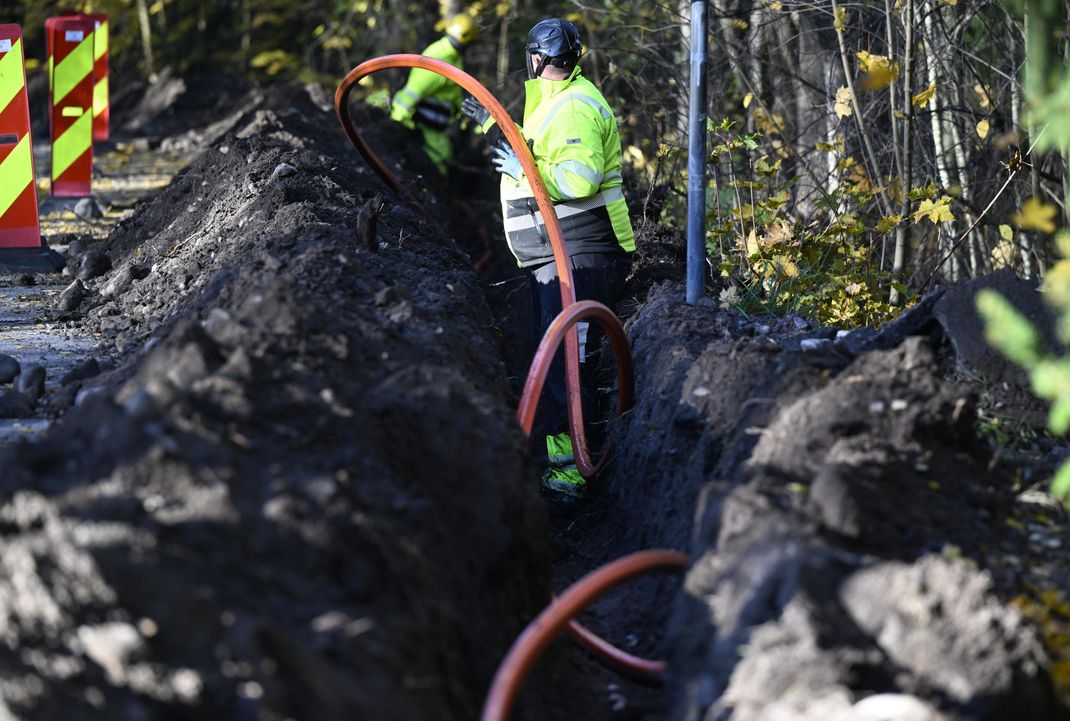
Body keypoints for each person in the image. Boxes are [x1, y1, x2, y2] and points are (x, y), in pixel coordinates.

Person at [462, 18, 635, 499]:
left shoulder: (576, 105)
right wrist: (495, 124)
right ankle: (566, 460)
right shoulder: (556, 101)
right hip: (558, 255)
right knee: (558, 357)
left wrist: (525, 170)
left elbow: (577, 179)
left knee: (568, 362)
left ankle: (575, 471)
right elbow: (536, 150)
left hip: (581, 251)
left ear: (538, 57)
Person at [390, 14, 479, 174]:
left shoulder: (452, 55)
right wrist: (400, 123)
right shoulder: (441, 57)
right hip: (426, 126)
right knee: (436, 166)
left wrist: (465, 115)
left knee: (443, 162)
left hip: (438, 127)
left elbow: (452, 91)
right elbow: (412, 92)